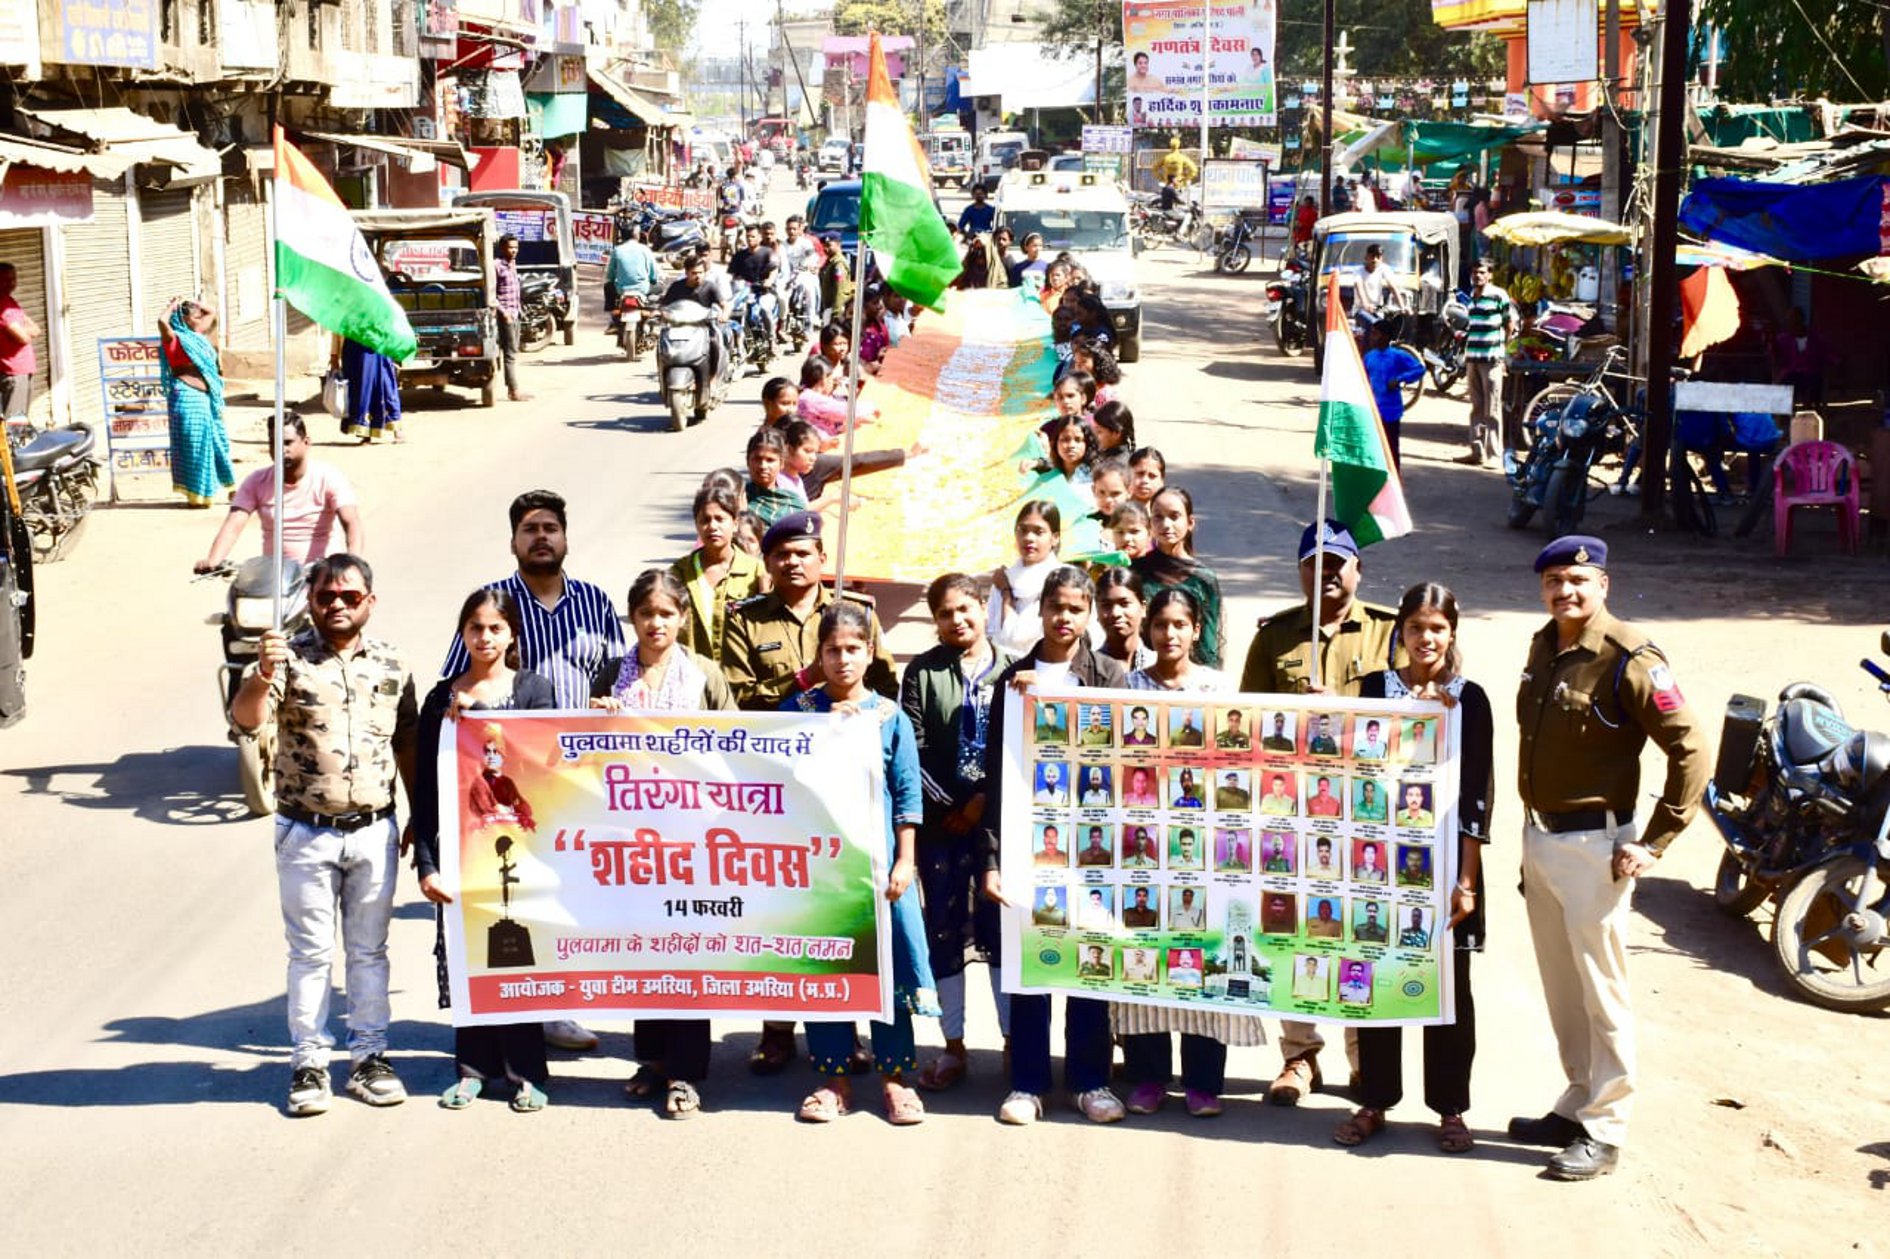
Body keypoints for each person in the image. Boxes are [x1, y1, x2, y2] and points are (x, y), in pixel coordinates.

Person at [1508, 537, 1707, 1180]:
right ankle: (1576, 1101)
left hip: (1598, 848)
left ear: (1603, 584)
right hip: (1542, 839)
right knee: (1564, 990)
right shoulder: (1545, 645)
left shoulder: (1630, 657)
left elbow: (1691, 750)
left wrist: (1653, 841)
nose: (1564, 592)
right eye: (1554, 581)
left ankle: (1608, 1124)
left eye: (1576, 580)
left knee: (1603, 992)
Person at [229, 554, 417, 1117]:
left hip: (373, 829)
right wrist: (262, 674)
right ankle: (309, 1063)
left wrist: (419, 817)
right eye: (326, 596)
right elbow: (244, 721)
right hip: (306, 831)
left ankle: (370, 1058)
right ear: (308, 601)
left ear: (370, 602)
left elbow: (405, 740)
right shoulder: (284, 658)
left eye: (349, 596)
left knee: (369, 952)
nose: (337, 604)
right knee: (310, 954)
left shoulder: (393, 663)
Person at [438, 489, 623, 1055]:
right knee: (515, 894)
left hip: (576, 778)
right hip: (508, 786)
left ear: (566, 538)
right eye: (529, 530)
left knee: (569, 892)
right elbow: (453, 687)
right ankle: (518, 1011)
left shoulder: (595, 602)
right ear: (513, 542)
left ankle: (561, 1005)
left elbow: (617, 680)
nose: (541, 537)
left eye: (550, 528)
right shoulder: (494, 609)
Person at [1336, 581, 1495, 1157]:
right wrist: (1320, 708)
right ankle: (1375, 1099)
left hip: (1448, 866)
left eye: (1437, 628)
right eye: (1415, 627)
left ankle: (1450, 1107)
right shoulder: (1373, 691)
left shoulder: (1468, 700)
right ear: (1399, 630)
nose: (1426, 638)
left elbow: (1479, 793)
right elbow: (1341, 761)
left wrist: (1467, 882)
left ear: (1452, 633)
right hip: (1378, 866)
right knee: (1378, 973)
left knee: (1451, 987)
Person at [977, 566, 1128, 1125]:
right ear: (1040, 611)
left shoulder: (1109, 676)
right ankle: (1028, 1084)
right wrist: (991, 859)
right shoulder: (1012, 681)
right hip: (1027, 845)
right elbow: (996, 776)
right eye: (1055, 607)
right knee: (1031, 966)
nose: (1064, 618)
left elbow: (1125, 755)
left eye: (1075, 609)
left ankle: (1090, 1081)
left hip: (1091, 848)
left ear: (1088, 614)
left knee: (1088, 961)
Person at [588, 571, 737, 1116]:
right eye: (646, 613)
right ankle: (651, 1058)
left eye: (667, 614)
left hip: (691, 836)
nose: (656, 624)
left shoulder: (704, 676)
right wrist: (597, 720)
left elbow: (736, 745)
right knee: (644, 947)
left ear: (682, 619)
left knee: (687, 947)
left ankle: (687, 1072)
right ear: (633, 617)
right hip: (630, 837)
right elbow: (584, 754)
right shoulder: (610, 673)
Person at [790, 602, 942, 1126]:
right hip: (819, 872)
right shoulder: (799, 712)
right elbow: (772, 782)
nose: (842, 659)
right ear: (819, 655)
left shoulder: (887, 716)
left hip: (879, 870)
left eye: (853, 648)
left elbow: (907, 794)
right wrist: (821, 734)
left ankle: (895, 1079)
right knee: (828, 969)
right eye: (832, 650)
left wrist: (906, 861)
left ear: (870, 651)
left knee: (889, 971)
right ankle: (832, 1079)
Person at [1110, 587, 1260, 1115]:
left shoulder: (1219, 689)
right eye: (1160, 624)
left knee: (1205, 950)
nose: (1169, 634)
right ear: (1147, 631)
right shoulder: (1126, 686)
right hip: (1144, 844)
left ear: (1197, 629)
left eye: (1180, 624)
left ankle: (1202, 1082)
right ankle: (1148, 1077)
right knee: (1147, 953)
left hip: (1206, 847)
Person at [411, 589, 558, 1113]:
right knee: (469, 956)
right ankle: (472, 1069)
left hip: (523, 853)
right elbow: (426, 787)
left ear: (512, 633)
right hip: (460, 853)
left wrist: (487, 714)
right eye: (475, 627)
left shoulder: (534, 691)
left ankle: (526, 1074)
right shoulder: (440, 699)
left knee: (519, 961)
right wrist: (427, 862)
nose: (485, 637)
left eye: (495, 628)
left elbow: (543, 763)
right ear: (463, 633)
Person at [722, 508, 898, 720]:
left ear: (822, 559)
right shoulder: (744, 619)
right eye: (782, 554)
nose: (793, 562)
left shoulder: (858, 612)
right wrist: (804, 680)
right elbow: (738, 698)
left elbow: (886, 687)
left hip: (850, 733)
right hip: (777, 740)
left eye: (803, 554)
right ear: (767, 563)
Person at [1241, 520, 1403, 701]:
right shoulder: (1273, 638)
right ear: (1299, 571)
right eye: (1314, 563)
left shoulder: (1391, 633)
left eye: (1335, 562)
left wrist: (1341, 711)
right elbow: (1250, 713)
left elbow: (1412, 707)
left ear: (1357, 569)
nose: (1325, 572)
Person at [194, 416, 364, 573]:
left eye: (287, 442)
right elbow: (233, 524)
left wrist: (352, 562)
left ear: (306, 442)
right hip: (274, 579)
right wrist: (213, 560)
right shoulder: (256, 481)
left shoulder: (328, 477)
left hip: (322, 578)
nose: (281, 449)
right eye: (274, 443)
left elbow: (351, 523)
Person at [670, 479, 767, 662]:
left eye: (720, 519)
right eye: (705, 520)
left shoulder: (755, 571)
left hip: (739, 678)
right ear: (697, 525)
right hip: (692, 677)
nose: (712, 526)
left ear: (735, 523)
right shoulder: (679, 573)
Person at [1133, 488, 1223, 668]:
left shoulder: (1203, 580)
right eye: (1158, 517)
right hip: (1140, 672)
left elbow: (1209, 646)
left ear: (1190, 523)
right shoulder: (1135, 572)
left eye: (1174, 516)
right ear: (1150, 523)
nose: (1166, 524)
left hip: (1189, 678)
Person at [158, 297, 233, 507]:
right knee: (193, 445)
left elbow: (211, 312)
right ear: (182, 319)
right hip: (185, 395)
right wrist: (171, 307)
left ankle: (218, 489)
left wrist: (191, 302)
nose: (200, 318)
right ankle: (196, 495)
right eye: (194, 316)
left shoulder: (196, 334)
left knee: (216, 441)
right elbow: (162, 322)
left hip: (206, 398)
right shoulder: (173, 338)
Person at [987, 500, 1068, 657]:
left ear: (1055, 538)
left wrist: (1006, 594)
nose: (1028, 538)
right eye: (1022, 530)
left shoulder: (1063, 580)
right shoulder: (1004, 577)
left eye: (1038, 532)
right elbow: (991, 631)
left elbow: (1016, 637)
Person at [1458, 258, 1514, 466]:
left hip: (1491, 359)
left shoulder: (1498, 295)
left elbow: (1510, 323)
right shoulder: (1472, 297)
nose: (1477, 276)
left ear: (1489, 275)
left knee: (1492, 409)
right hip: (1472, 358)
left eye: (1482, 272)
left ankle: (1494, 454)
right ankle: (1477, 450)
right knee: (1476, 407)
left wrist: (1503, 351)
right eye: (1475, 272)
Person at [662, 252, 733, 390]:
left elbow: (725, 304)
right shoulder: (676, 287)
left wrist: (724, 315)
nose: (698, 276)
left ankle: (712, 378)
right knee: (663, 343)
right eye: (694, 273)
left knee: (715, 342)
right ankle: (664, 377)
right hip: (679, 327)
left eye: (701, 272)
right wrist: (659, 313)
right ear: (687, 272)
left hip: (703, 327)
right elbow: (664, 306)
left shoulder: (710, 287)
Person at [1363, 321, 1425, 469]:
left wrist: (1399, 379)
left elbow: (1419, 368)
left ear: (1385, 336)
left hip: (1391, 410)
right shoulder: (1369, 357)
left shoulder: (1396, 356)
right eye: (1371, 333)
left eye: (1375, 334)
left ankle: (1394, 476)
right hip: (1372, 409)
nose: (1372, 337)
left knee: (1391, 447)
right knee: (1373, 446)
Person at [492, 235, 532, 403]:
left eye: (516, 247)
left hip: (515, 313)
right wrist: (504, 313)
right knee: (510, 354)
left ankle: (512, 387)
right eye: (510, 247)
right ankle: (513, 390)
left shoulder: (512, 264)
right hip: (505, 316)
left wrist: (518, 311)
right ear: (502, 248)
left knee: (513, 351)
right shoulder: (496, 266)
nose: (514, 250)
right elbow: (492, 295)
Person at [1769, 306, 1831, 407]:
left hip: (1811, 372)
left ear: (1801, 320)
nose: (1792, 322)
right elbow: (1775, 356)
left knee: (1814, 382)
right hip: (1791, 373)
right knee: (1786, 383)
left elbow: (1825, 353)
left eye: (1795, 319)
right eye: (1790, 319)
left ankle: (1811, 408)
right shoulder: (1782, 339)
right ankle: (1786, 411)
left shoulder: (1814, 338)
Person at [0, 261, 40, 417]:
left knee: (21, 420)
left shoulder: (11, 303)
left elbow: (36, 329)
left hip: (24, 369)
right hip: (13, 373)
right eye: (5, 280)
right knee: (14, 423)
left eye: (13, 279)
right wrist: (25, 331)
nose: (11, 284)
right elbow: (23, 337)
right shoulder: (2, 306)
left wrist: (24, 330)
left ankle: (21, 441)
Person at [744, 427, 804, 528]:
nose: (763, 466)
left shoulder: (794, 503)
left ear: (782, 463)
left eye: (770, 460)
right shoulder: (739, 500)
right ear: (748, 461)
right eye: (757, 459)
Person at [604, 226, 660, 330]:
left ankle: (613, 316)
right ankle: (653, 313)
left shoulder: (617, 250)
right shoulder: (645, 250)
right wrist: (654, 280)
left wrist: (612, 280)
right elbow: (653, 274)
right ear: (636, 236)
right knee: (659, 290)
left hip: (621, 289)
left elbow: (610, 275)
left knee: (608, 286)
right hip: (643, 289)